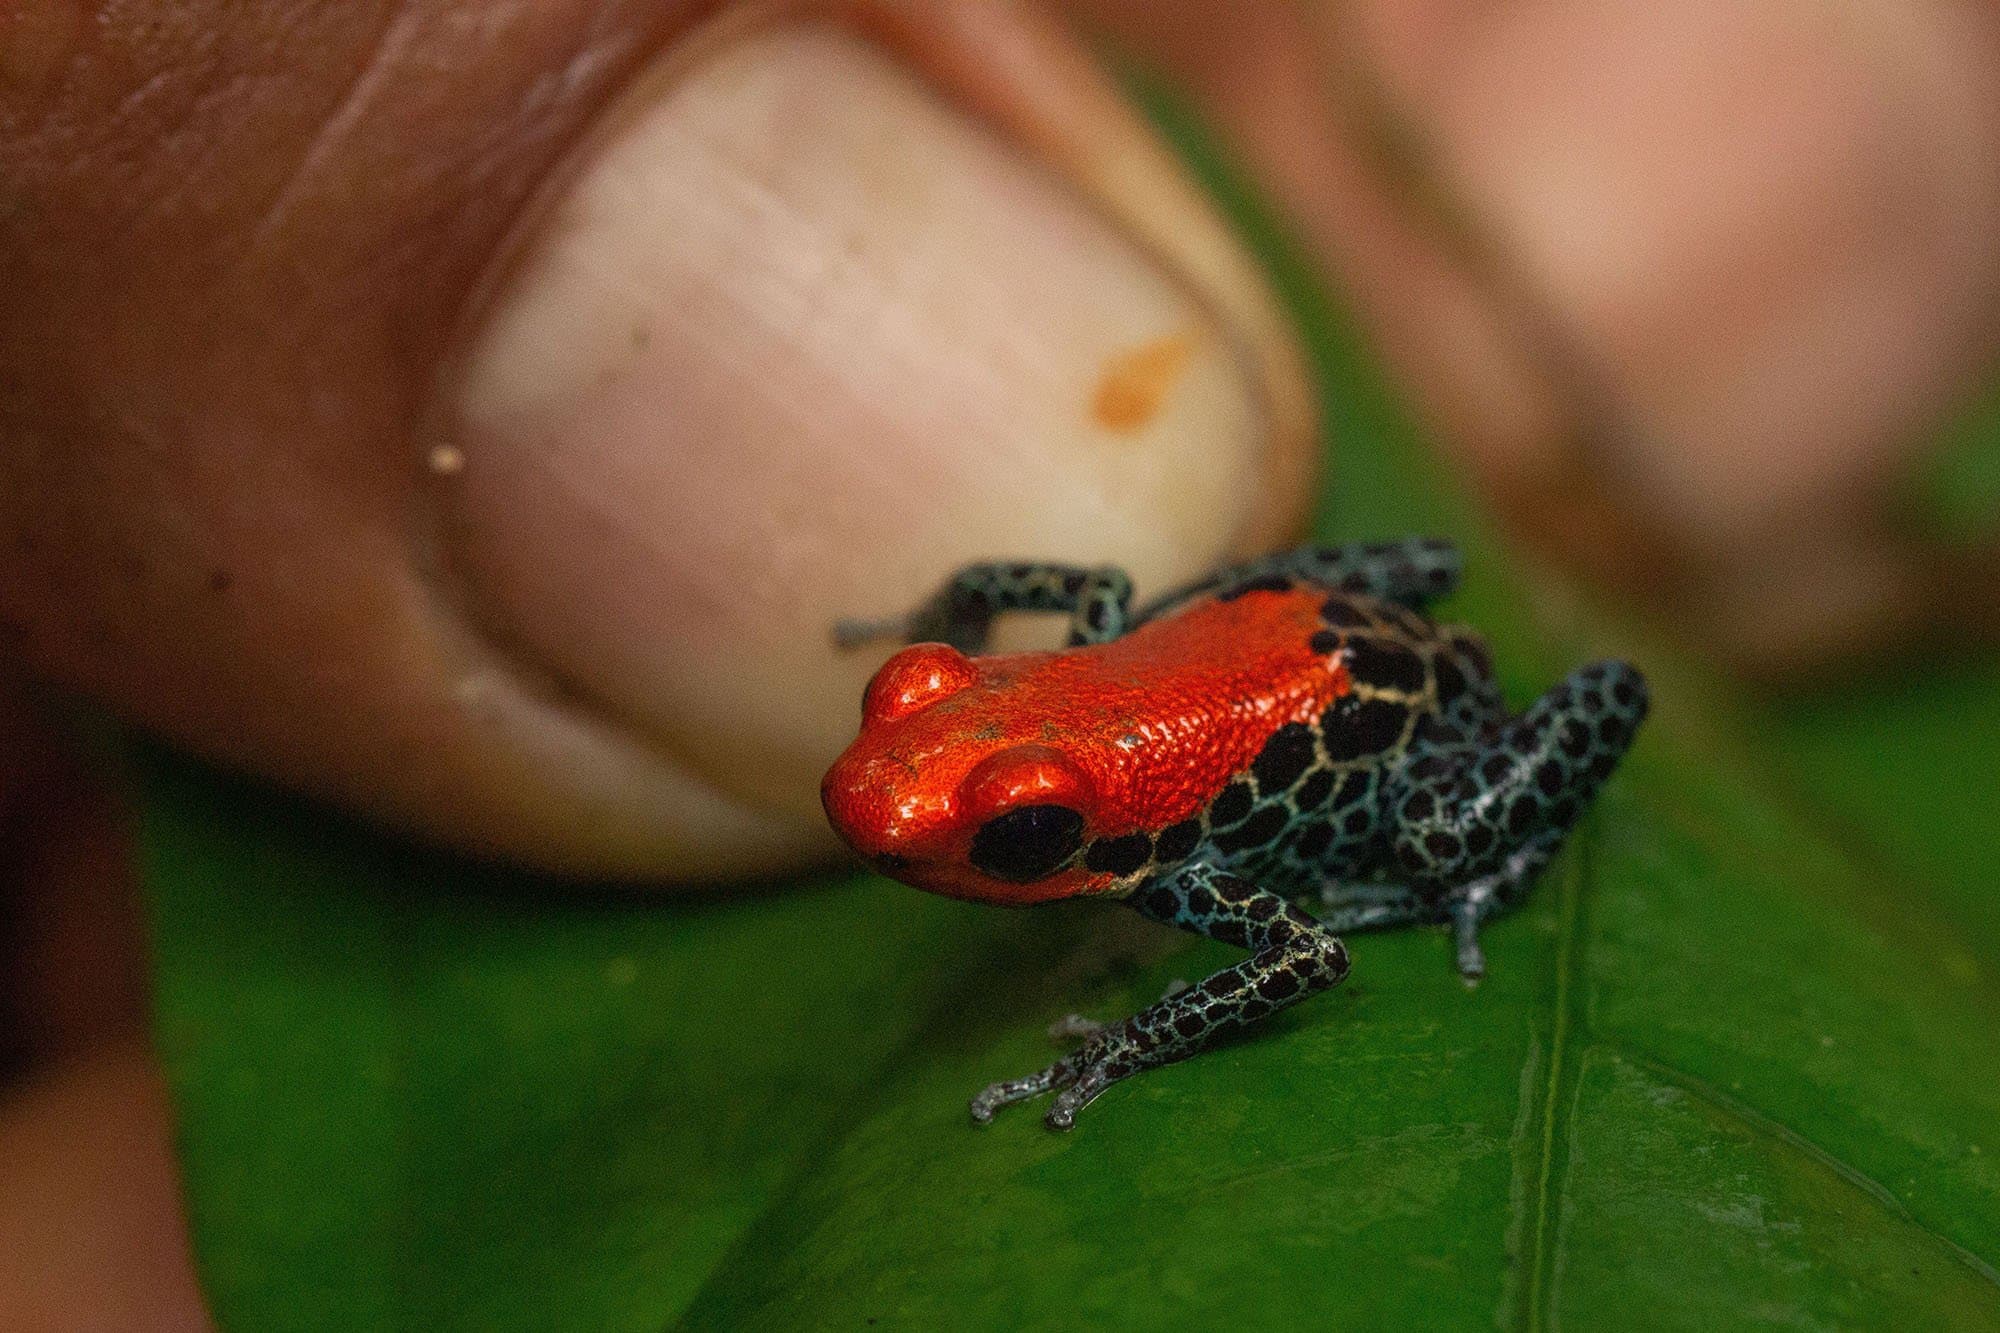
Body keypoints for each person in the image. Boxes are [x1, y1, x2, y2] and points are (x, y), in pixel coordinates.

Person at [3, 2, 1996, 1324]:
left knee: (1553, 699)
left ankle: (1473, 850)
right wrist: (941, 628)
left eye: (1023, 828)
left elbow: (1295, 948)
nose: (901, 787)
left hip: (1377, 714)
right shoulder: (1056, 690)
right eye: (921, 720)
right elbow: (1044, 572)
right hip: (1258, 633)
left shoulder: (1204, 853)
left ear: (1092, 827)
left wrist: (1139, 1024)